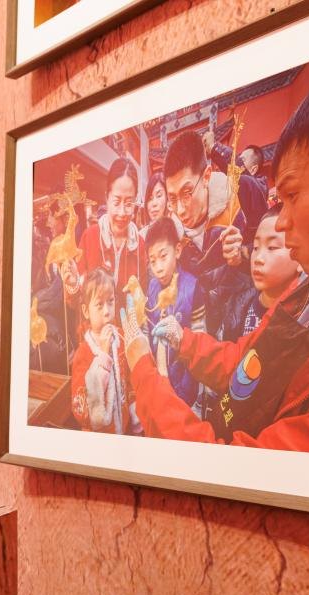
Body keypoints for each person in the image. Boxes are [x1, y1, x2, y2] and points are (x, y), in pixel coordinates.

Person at [123, 33, 309, 458]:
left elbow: (232, 468)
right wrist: (183, 339)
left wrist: (144, 372)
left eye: (293, 194)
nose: (282, 222)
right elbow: (246, 361)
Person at [164, 129, 268, 335]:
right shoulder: (173, 234)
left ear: (206, 176)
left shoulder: (241, 195)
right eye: (172, 198)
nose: (180, 210)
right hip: (204, 333)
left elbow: (272, 252)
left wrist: (243, 255)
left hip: (245, 323)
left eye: (187, 193)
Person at [67, 158, 147, 311]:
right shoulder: (89, 237)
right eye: (116, 202)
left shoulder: (140, 246)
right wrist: (73, 285)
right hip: (92, 327)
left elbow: (142, 301)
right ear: (107, 198)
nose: (122, 213)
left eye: (128, 203)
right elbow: (75, 303)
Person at [144, 217, 205, 407]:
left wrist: (188, 388)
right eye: (153, 261)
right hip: (158, 380)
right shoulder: (151, 287)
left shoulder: (193, 288)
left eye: (163, 256)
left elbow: (200, 338)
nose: (158, 268)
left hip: (185, 384)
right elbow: (147, 329)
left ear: (177, 250)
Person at [69, 269, 138, 434]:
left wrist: (136, 418)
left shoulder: (122, 338)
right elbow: (80, 408)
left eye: (111, 301)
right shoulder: (83, 354)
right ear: (86, 311)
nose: (107, 311)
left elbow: (131, 381)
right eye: (99, 305)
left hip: (124, 430)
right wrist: (104, 356)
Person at [221, 205, 301, 342]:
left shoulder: (304, 319)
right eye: (256, 247)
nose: (258, 258)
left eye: (272, 247)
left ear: (301, 257)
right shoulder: (236, 306)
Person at [139, 172, 167, 237]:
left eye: (159, 196)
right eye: (150, 198)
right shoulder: (141, 237)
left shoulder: (178, 232)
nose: (154, 204)